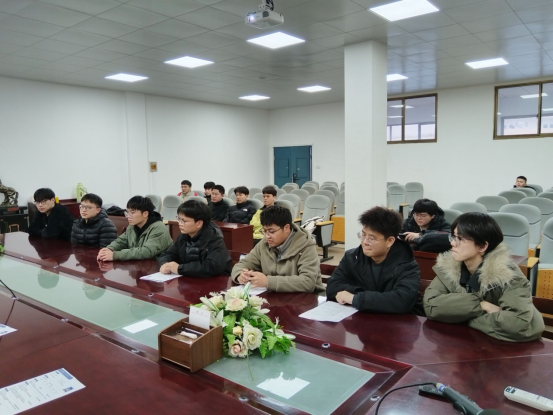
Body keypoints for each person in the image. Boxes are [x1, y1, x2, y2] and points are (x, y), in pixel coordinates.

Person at [423, 212, 544, 342]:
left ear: (482, 246)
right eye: (453, 236)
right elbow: (431, 307)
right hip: (467, 342)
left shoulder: (508, 276)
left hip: (508, 349)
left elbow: (517, 324)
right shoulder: (449, 268)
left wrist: (460, 315)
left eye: (460, 239)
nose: (453, 243)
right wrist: (481, 305)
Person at [326, 206, 422, 314]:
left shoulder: (407, 264)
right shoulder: (352, 257)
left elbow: (401, 300)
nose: (365, 242)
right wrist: (360, 295)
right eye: (363, 235)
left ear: (390, 241)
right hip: (362, 317)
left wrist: (355, 298)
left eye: (371, 238)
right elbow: (332, 287)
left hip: (397, 321)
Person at [232, 204, 324, 293]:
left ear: (286, 228)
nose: (267, 236)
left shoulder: (306, 246)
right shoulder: (264, 243)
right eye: (264, 231)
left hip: (307, 299)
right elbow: (244, 263)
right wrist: (240, 275)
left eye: (271, 231)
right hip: (276, 297)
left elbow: (307, 282)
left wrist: (268, 281)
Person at [158, 200, 231, 277]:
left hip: (215, 280)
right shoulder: (183, 236)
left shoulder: (214, 238)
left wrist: (180, 268)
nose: (180, 224)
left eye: (184, 221)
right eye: (178, 219)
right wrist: (164, 265)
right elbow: (168, 254)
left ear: (199, 223)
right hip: (190, 278)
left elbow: (212, 266)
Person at [97, 196, 173, 261]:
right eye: (127, 212)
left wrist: (115, 255)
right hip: (140, 266)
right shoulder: (132, 226)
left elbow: (146, 251)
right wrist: (109, 249)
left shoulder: (158, 228)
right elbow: (121, 241)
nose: (128, 216)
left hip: (158, 267)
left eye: (132, 212)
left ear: (145, 213)